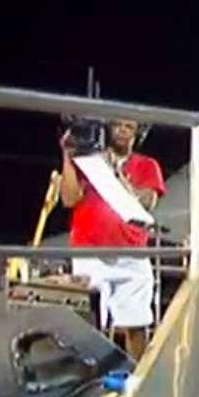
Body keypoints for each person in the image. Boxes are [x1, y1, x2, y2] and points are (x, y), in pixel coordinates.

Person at [60, 118, 165, 360]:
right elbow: (69, 199)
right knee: (90, 322)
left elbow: (147, 203)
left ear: (138, 134)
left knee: (136, 323)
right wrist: (68, 156)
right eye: (118, 125)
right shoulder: (89, 163)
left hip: (132, 252)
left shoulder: (147, 165)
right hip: (89, 249)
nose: (122, 131)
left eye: (129, 127)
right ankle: (92, 376)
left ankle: (140, 376)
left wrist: (115, 174)